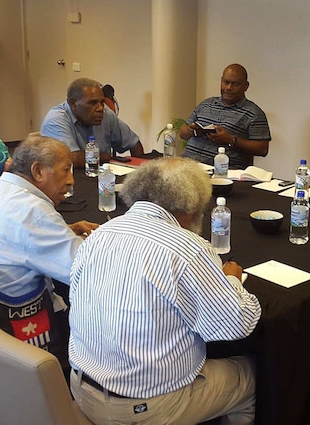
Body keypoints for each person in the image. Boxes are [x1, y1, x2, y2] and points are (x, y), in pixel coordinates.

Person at [69, 157, 260, 424]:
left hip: (81, 390)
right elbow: (237, 324)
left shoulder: (99, 233)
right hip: (147, 407)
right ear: (192, 205)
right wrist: (231, 280)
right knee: (254, 375)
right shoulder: (188, 248)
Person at [0, 135, 98, 371]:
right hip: (17, 332)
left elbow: (15, 238)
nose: (71, 181)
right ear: (38, 171)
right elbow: (85, 271)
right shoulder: (33, 212)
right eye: (65, 170)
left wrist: (65, 231)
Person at [179, 63, 271, 170]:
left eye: (235, 84)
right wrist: (190, 130)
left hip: (223, 172)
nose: (228, 88)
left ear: (246, 86)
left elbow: (262, 149)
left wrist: (231, 140)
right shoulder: (206, 104)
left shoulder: (254, 113)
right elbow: (182, 133)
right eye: (226, 82)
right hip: (188, 166)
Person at [41, 78, 144, 168]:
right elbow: (73, 159)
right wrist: (105, 156)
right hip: (68, 183)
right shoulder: (55, 119)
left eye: (102, 102)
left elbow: (134, 144)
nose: (100, 108)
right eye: (92, 103)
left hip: (100, 178)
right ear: (73, 104)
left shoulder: (106, 114)